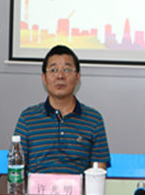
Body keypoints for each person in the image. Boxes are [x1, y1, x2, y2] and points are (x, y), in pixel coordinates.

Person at [14, 45, 110, 174]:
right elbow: (15, 169)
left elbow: (99, 172)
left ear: (77, 77)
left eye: (67, 70)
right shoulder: (28, 118)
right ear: (44, 78)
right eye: (54, 70)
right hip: (38, 187)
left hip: (78, 187)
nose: (60, 76)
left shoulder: (93, 120)